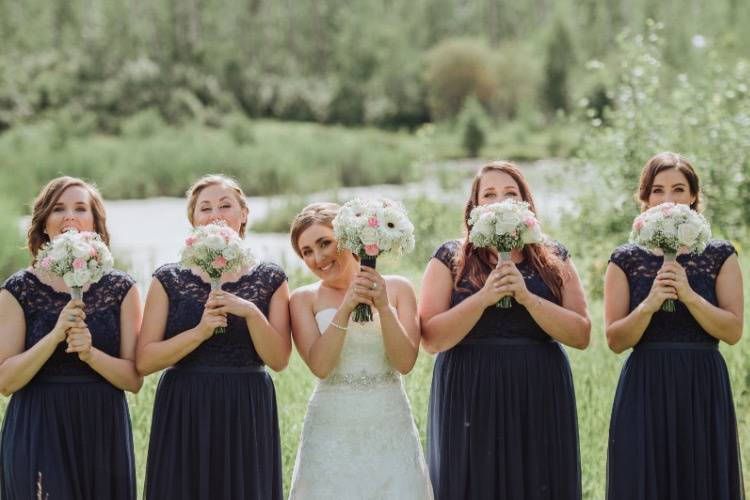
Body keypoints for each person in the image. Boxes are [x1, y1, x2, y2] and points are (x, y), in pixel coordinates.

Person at [420, 161, 590, 500]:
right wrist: (484, 298)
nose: (500, 201)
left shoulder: (554, 256)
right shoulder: (449, 257)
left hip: (538, 389)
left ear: (526, 203)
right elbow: (432, 338)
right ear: (474, 207)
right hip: (470, 389)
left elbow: (581, 334)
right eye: (490, 194)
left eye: (510, 193)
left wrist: (526, 298)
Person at [137, 174, 291, 500]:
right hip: (185, 406)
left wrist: (249, 310)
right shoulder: (168, 278)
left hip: (246, 406)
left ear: (244, 213)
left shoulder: (270, 278)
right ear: (193, 220)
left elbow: (278, 360)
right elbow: (145, 360)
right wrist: (198, 333)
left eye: (225, 205)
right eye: (204, 208)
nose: (215, 214)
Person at [604, 152, 744, 500]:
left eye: (679, 189)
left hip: (702, 384)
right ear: (645, 198)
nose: (668, 199)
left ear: (694, 197)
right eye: (658, 190)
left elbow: (732, 331)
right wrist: (650, 304)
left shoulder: (720, 255)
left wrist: (690, 296)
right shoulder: (625, 259)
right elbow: (616, 340)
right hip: (646, 386)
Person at [0, 176, 142, 500]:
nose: (69, 216)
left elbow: (134, 380)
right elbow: (5, 381)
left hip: (102, 429)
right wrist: (54, 336)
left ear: (95, 223)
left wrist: (91, 354)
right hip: (38, 425)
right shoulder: (18, 289)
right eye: (58, 209)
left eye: (80, 208)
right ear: (44, 225)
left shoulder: (123, 288)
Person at [287, 202, 433, 499]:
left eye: (325, 243)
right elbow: (321, 367)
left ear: (350, 237)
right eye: (307, 252)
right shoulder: (303, 299)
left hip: (389, 420)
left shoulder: (398, 289)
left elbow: (405, 362)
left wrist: (382, 306)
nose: (318, 257)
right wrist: (345, 307)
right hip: (331, 425)